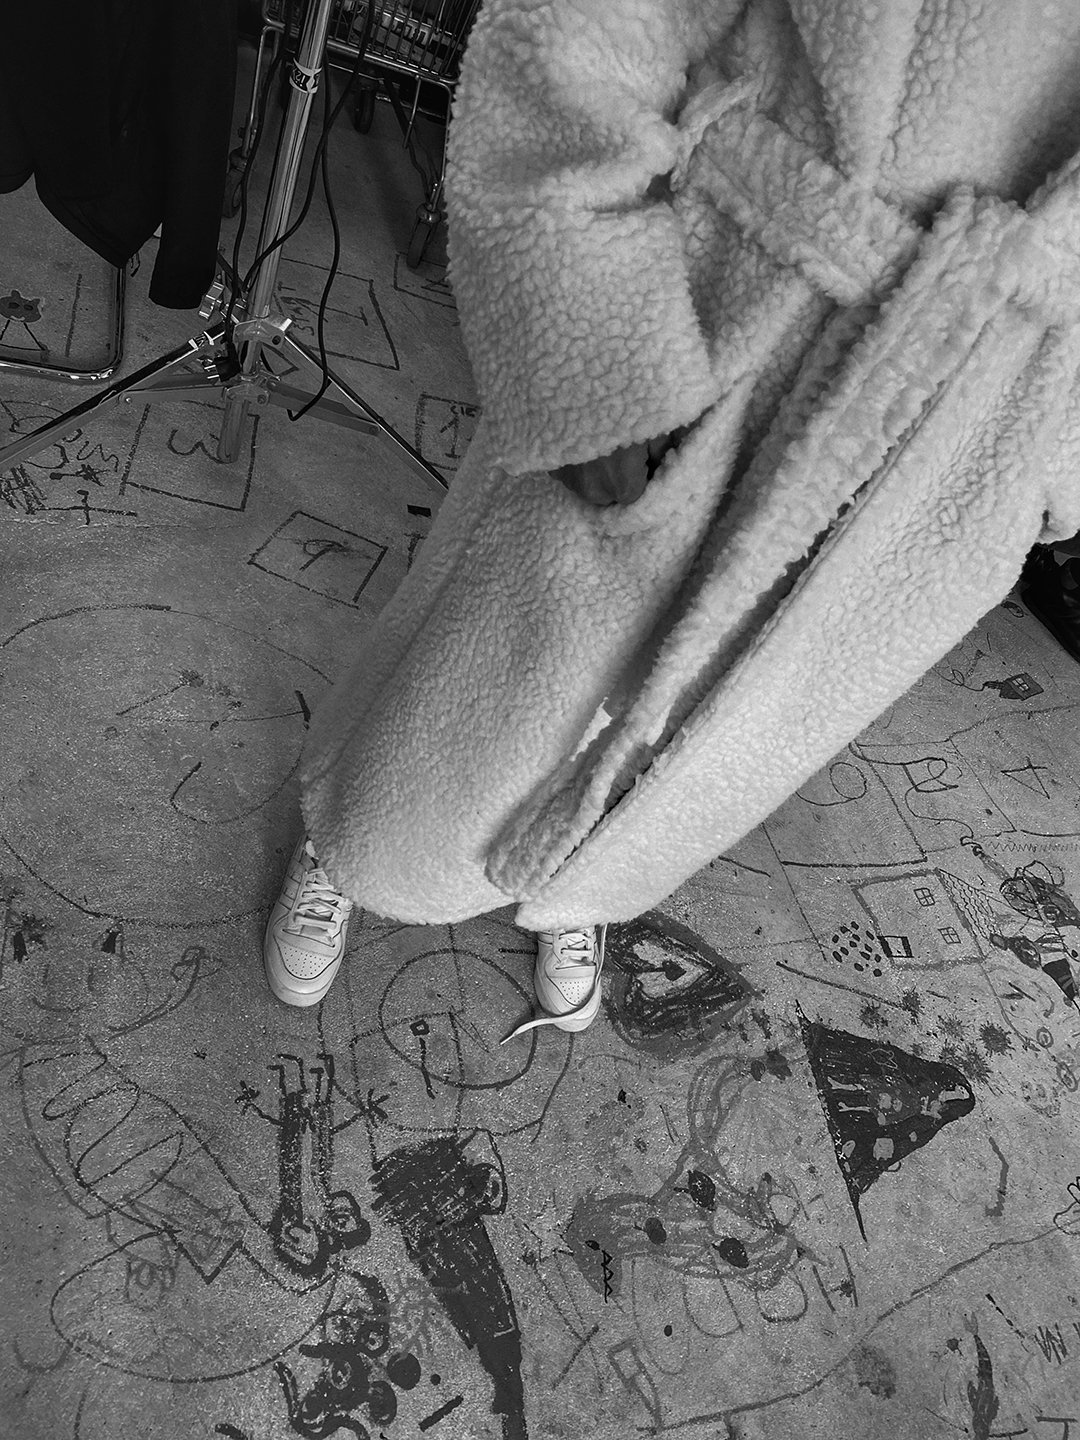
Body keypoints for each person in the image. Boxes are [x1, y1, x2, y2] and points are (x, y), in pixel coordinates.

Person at [264, 0, 1080, 1033]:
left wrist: (1053, 465)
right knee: (498, 658)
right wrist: (596, 352)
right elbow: (582, 29)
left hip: (978, 423)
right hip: (733, 305)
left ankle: (573, 881)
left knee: (713, 729)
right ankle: (349, 835)